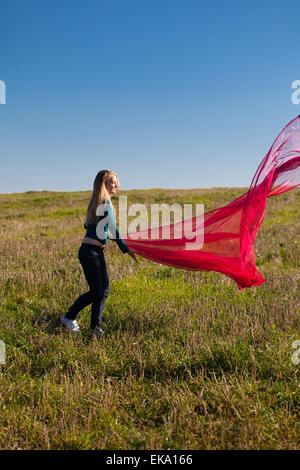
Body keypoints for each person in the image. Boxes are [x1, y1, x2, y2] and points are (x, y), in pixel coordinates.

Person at [61, 170, 138, 336]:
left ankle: (96, 328)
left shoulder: (96, 202)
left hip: (90, 251)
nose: (116, 185)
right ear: (103, 184)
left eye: (117, 181)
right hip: (91, 253)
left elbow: (89, 227)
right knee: (98, 291)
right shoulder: (105, 203)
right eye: (112, 181)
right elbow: (112, 228)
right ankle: (69, 317)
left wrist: (107, 237)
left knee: (102, 290)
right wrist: (127, 249)